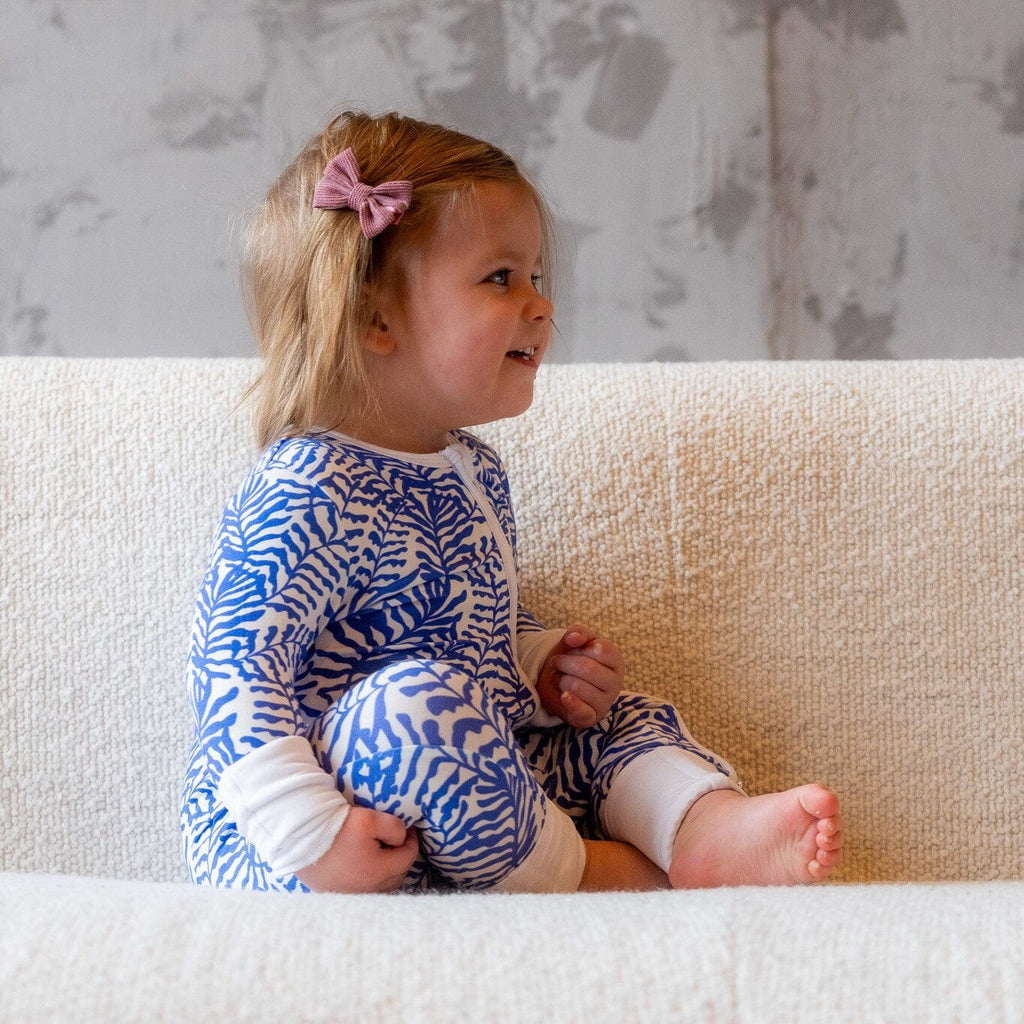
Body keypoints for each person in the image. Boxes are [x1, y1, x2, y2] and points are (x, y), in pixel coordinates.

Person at [180, 110, 843, 894]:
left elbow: (467, 622)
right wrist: (311, 832)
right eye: (501, 278)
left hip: (470, 790)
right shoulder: (309, 486)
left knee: (613, 721)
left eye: (537, 278)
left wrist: (538, 663)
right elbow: (232, 675)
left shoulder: (472, 468)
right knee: (412, 708)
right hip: (319, 839)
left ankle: (705, 828)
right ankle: (600, 878)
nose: (539, 304)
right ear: (373, 318)